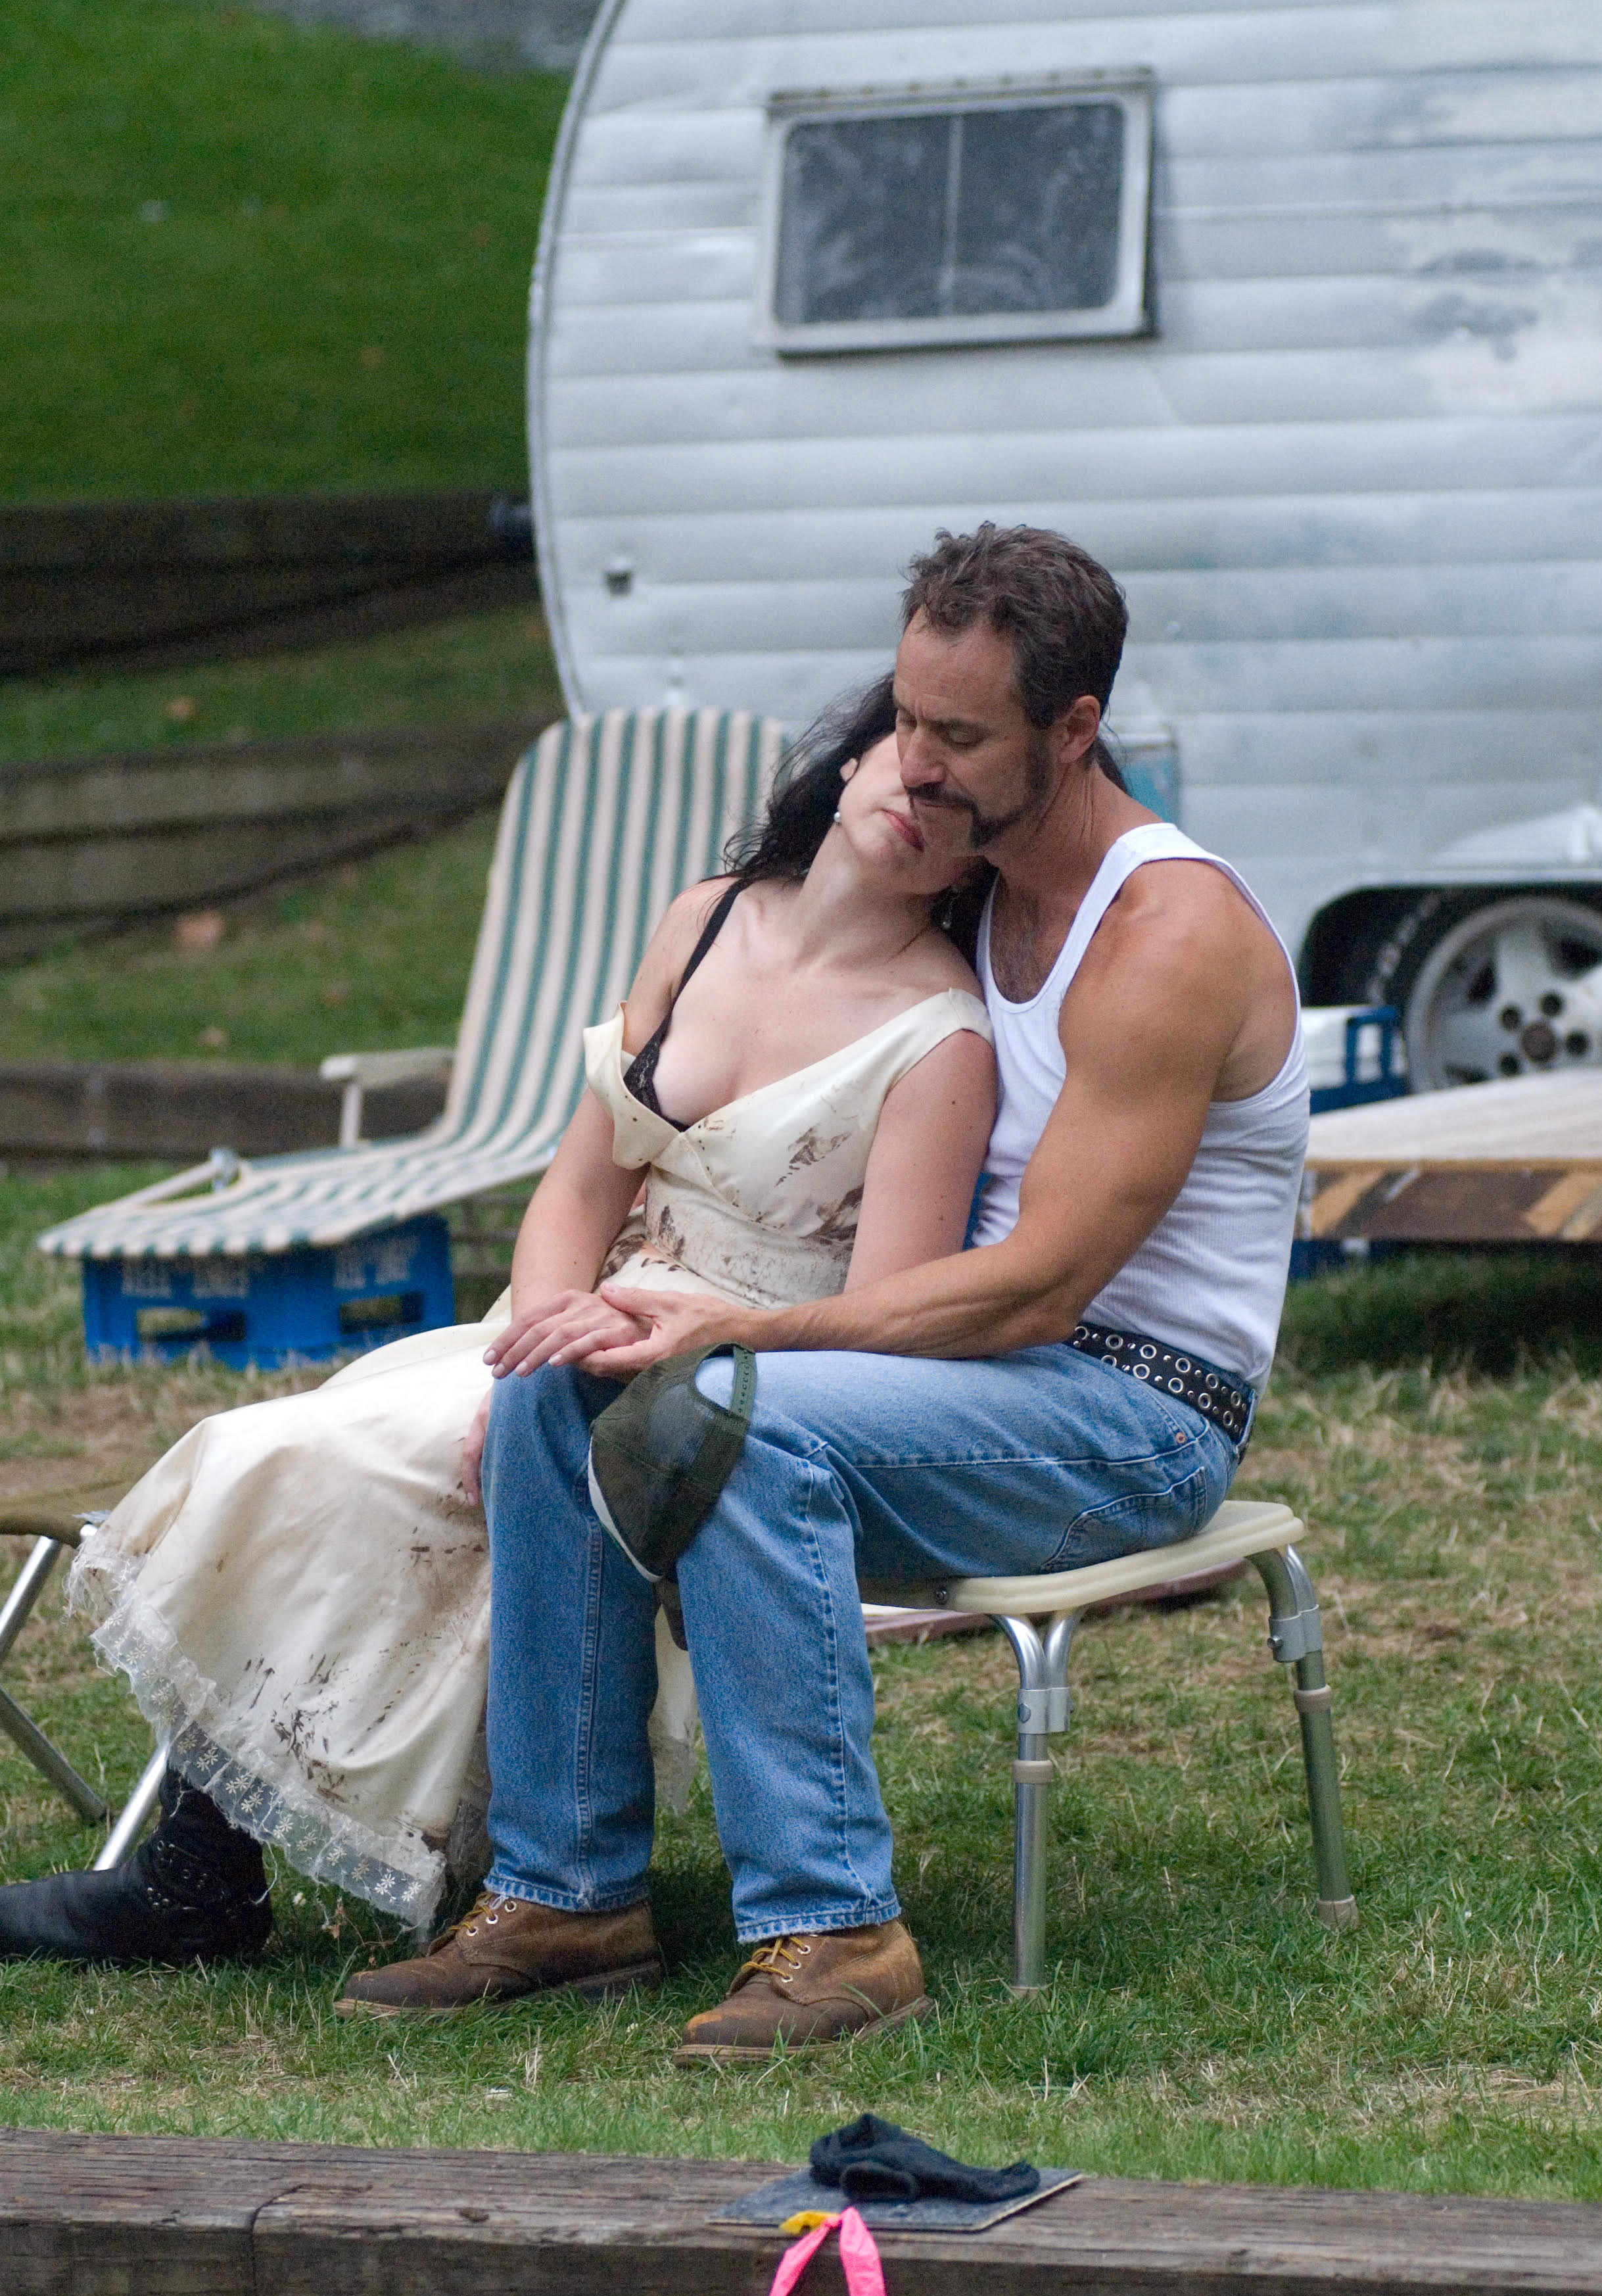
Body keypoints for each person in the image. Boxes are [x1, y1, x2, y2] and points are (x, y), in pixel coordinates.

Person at [342, 522, 1311, 2055]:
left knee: (738, 1413)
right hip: (962, 1378)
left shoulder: (1166, 934)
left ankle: (834, 1928)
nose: (910, 765)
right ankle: (567, 1892)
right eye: (905, 717)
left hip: (1132, 1412)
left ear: (1075, 732)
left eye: (959, 736)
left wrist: (736, 1325)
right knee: (555, 1381)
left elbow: (1044, 1290)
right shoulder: (980, 889)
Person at [0, 688, 995, 1966]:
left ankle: (210, 1879)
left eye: (962, 811)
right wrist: (533, 1347)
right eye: (910, 771)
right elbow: (580, 1187)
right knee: (291, 1443)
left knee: (337, 1464)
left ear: (988, 857)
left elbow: (879, 1326)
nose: (918, 811)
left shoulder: (938, 1039)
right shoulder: (707, 922)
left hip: (732, 1375)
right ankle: (204, 1869)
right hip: (560, 1329)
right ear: (855, 756)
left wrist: (656, 1353)